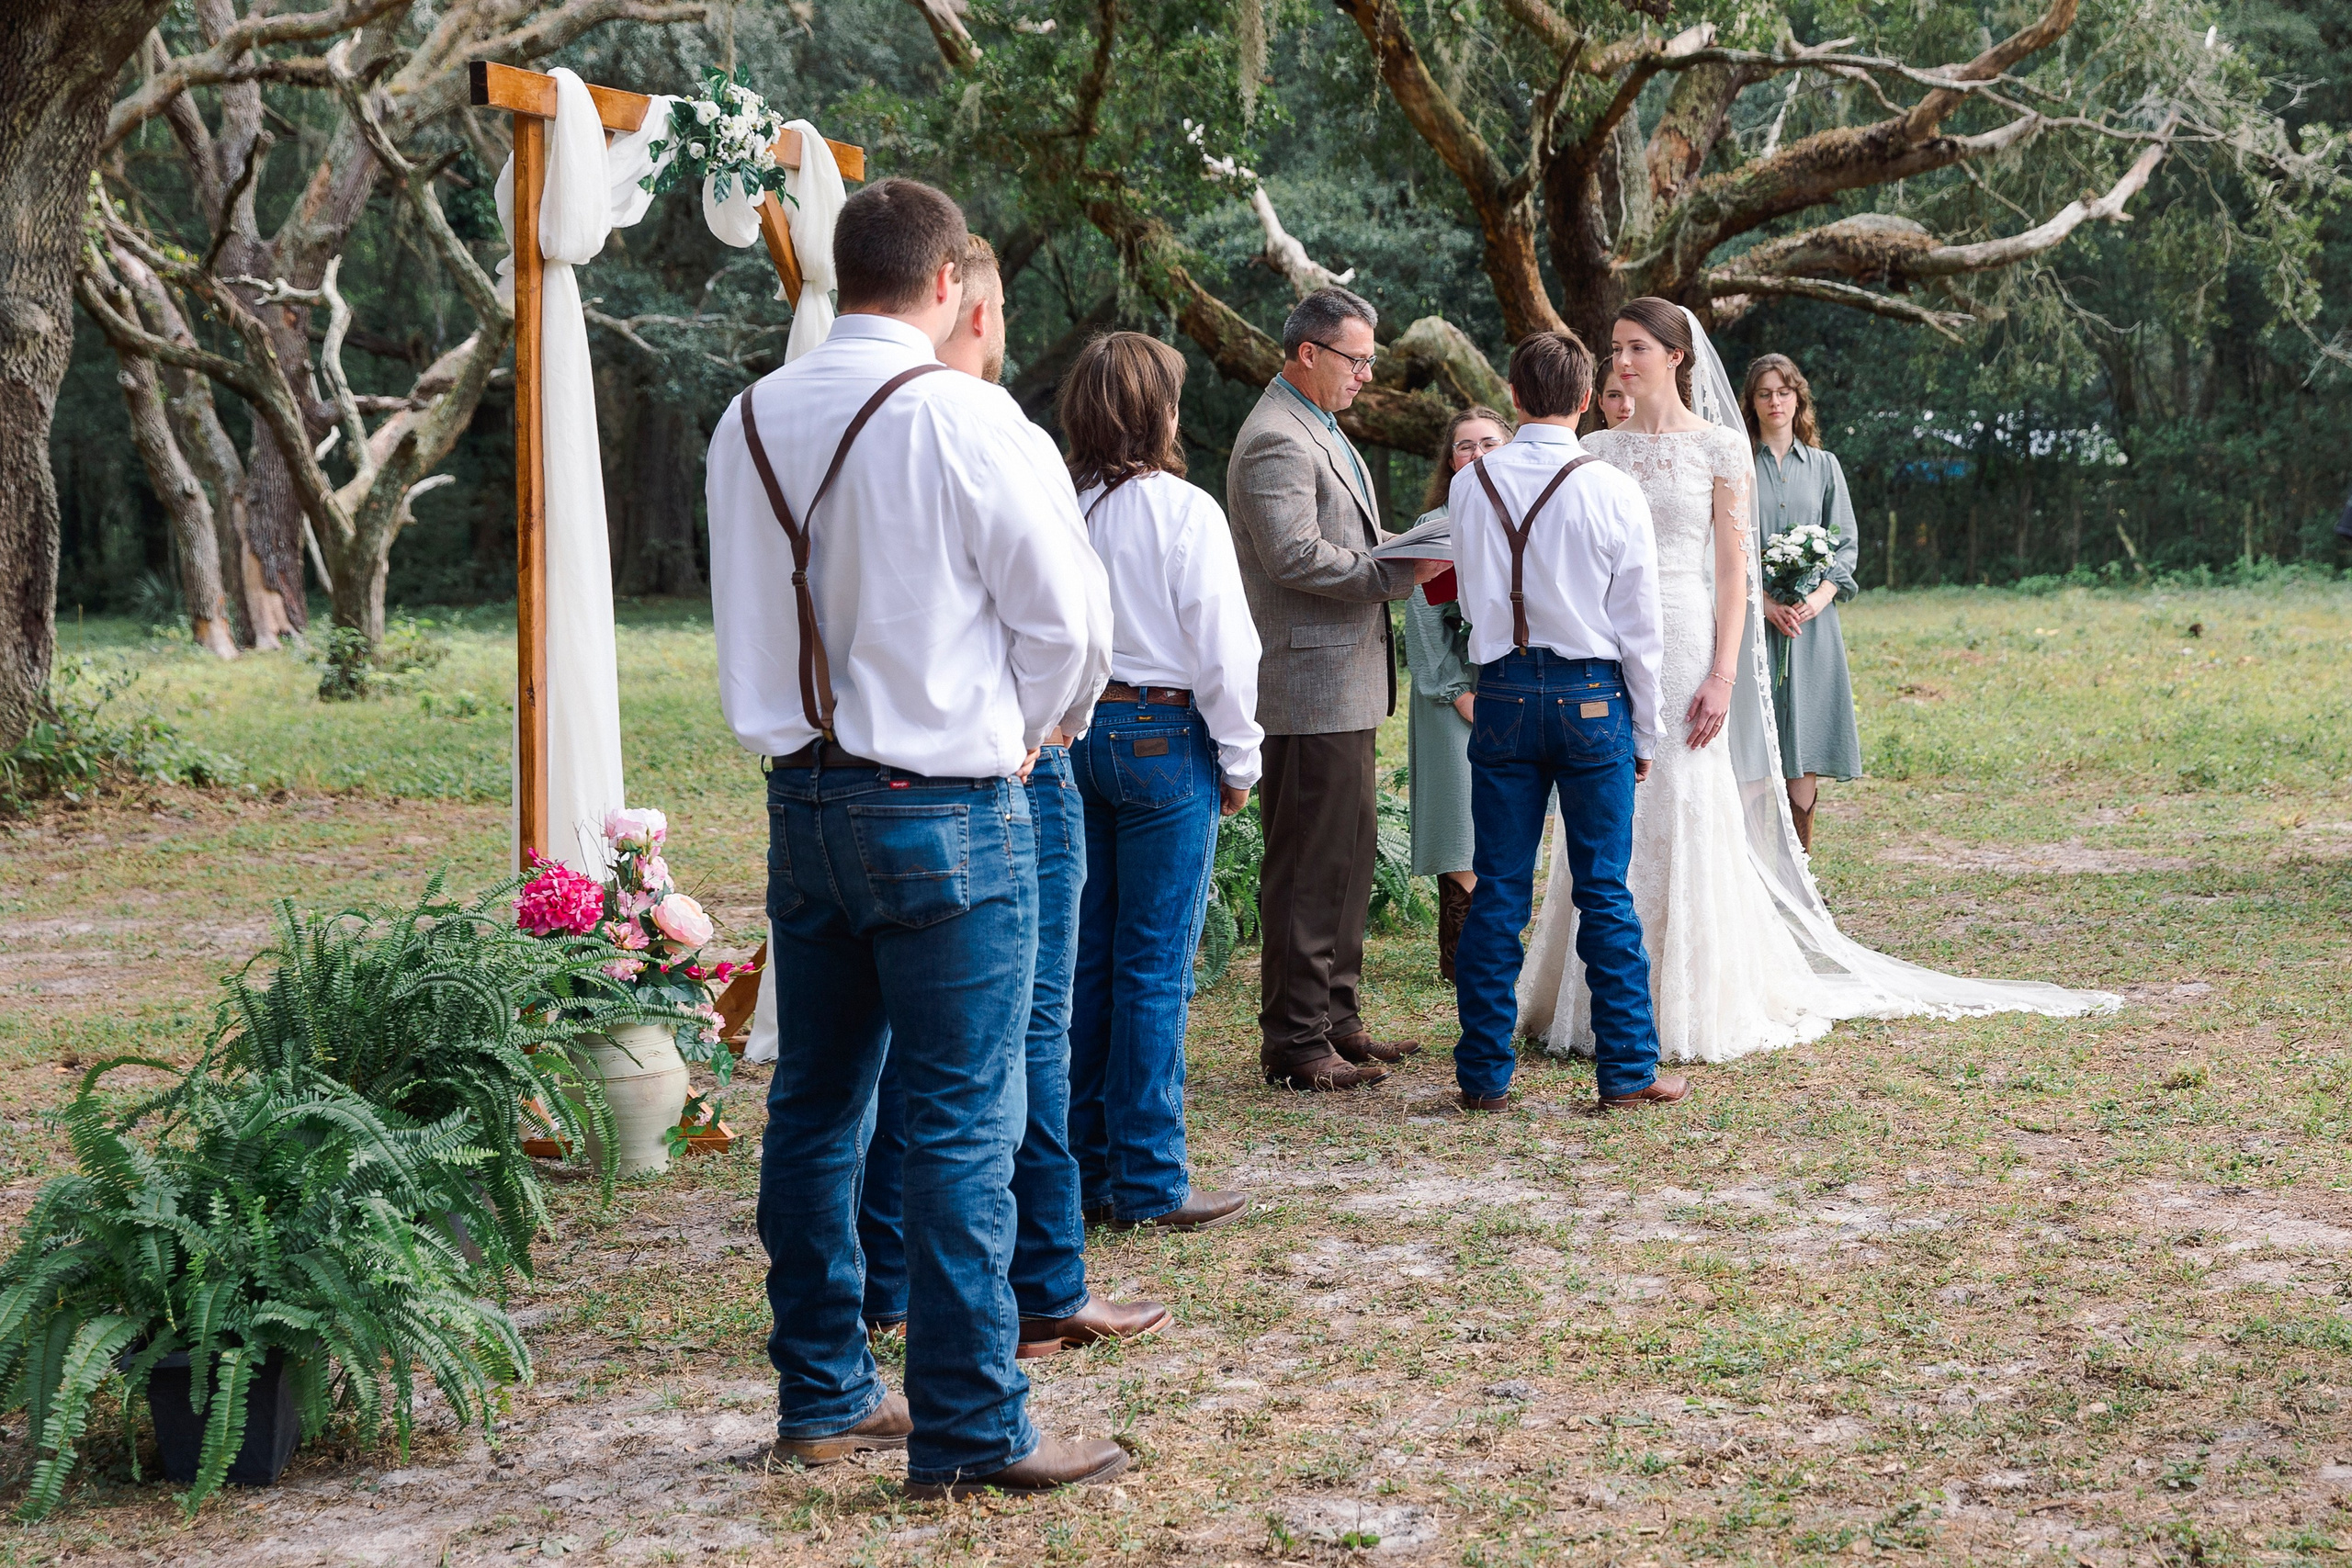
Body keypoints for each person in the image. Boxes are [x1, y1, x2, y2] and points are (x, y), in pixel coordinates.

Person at [707, 177, 1127, 1499]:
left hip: (803, 801)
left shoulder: (747, 418)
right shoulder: (964, 415)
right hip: (945, 807)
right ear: (950, 283)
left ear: (845, 275)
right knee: (958, 1119)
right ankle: (969, 1422)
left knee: (817, 1107)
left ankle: (823, 1390)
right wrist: (1039, 727)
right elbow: (1070, 620)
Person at [1515, 299, 2117, 1068]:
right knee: (1607, 808)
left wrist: (1725, 673)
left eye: (1635, 348)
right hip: (1608, 643)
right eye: (1614, 349)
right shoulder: (1594, 448)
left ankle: (1690, 994)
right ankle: (1592, 998)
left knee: (1688, 798)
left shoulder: (1722, 450)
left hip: (1693, 635)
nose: (1619, 363)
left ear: (1676, 356)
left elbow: (1732, 576)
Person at [855, 239, 1171, 1359]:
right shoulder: (994, 432)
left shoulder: (832, 426)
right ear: (968, 307)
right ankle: (1042, 1284)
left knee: (892, 1054)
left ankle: (884, 1276)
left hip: (849, 779)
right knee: (1021, 1036)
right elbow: (1075, 627)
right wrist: (1041, 733)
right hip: (1001, 775)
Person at [1443, 332, 1678, 1113]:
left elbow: (1473, 596)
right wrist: (1644, 734)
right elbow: (1640, 629)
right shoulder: (1612, 489)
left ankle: (1482, 1075)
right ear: (1585, 399)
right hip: (1590, 700)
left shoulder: (1470, 485)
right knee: (1604, 891)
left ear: (1512, 397)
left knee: (1500, 889)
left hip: (1505, 692)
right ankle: (1628, 1072)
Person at [1061, 331, 1263, 1231]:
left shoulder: (1059, 505)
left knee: (1089, 961)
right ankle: (1149, 1181)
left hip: (1076, 733)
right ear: (1158, 414)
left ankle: (1087, 1170)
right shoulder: (1184, 512)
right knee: (1152, 965)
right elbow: (1225, 647)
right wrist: (1240, 756)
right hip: (1159, 730)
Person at [1227, 286, 1446, 1091]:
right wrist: (1393, 574)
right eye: (1356, 360)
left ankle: (1336, 1016)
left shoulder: (1318, 425)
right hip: (1307, 680)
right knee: (1309, 862)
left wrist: (1409, 541)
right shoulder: (1276, 438)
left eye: (1371, 360)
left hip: (1345, 679)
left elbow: (1345, 536)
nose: (1366, 375)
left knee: (1347, 856)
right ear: (1308, 354)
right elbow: (1294, 555)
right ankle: (1293, 1039)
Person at [1401, 406, 1510, 980]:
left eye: (1488, 443)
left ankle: (1495, 949)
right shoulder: (1436, 526)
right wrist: (1458, 693)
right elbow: (1423, 622)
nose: (1476, 455)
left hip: (1514, 690)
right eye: (1464, 446)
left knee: (1505, 822)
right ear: (1451, 460)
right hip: (1452, 693)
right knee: (1459, 820)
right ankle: (1462, 959)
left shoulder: (1526, 518)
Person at [1743, 353, 1862, 852]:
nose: (1775, 401)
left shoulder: (1824, 465)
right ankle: (1756, 874)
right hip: (1752, 622)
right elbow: (1722, 546)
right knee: (1753, 740)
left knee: (1805, 734)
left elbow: (1846, 542)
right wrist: (1765, 603)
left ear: (1798, 398)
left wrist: (1820, 596)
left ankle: (1802, 874)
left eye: (1783, 392)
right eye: (1765, 393)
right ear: (1751, 402)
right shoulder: (1738, 465)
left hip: (1812, 625)